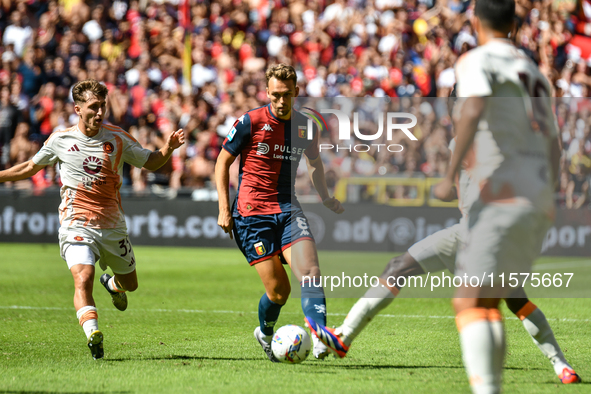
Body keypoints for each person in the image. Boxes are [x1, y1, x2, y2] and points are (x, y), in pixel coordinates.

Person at [0, 79, 185, 359]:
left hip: (112, 226)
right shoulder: (60, 140)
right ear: (78, 109)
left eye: (103, 106)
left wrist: (169, 148)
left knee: (131, 284)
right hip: (76, 223)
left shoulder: (117, 137)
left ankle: (111, 284)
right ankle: (93, 333)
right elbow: (29, 166)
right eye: (93, 107)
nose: (99, 112)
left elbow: (150, 161)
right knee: (82, 277)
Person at [432, 1, 563, 392]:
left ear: (475, 22)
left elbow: (471, 109)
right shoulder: (533, 72)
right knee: (492, 299)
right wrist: (548, 193)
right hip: (536, 197)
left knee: (470, 302)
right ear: (515, 23)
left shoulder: (477, 60)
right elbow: (553, 142)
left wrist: (448, 175)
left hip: (502, 193)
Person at [215, 64, 344, 362]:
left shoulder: (306, 127)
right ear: (267, 93)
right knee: (278, 293)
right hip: (251, 215)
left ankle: (320, 334)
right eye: (275, 95)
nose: (281, 101)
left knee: (311, 273)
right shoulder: (250, 121)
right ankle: (265, 331)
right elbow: (222, 163)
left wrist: (325, 196)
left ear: (296, 92)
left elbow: (315, 163)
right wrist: (224, 208)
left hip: (288, 209)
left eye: (287, 95)